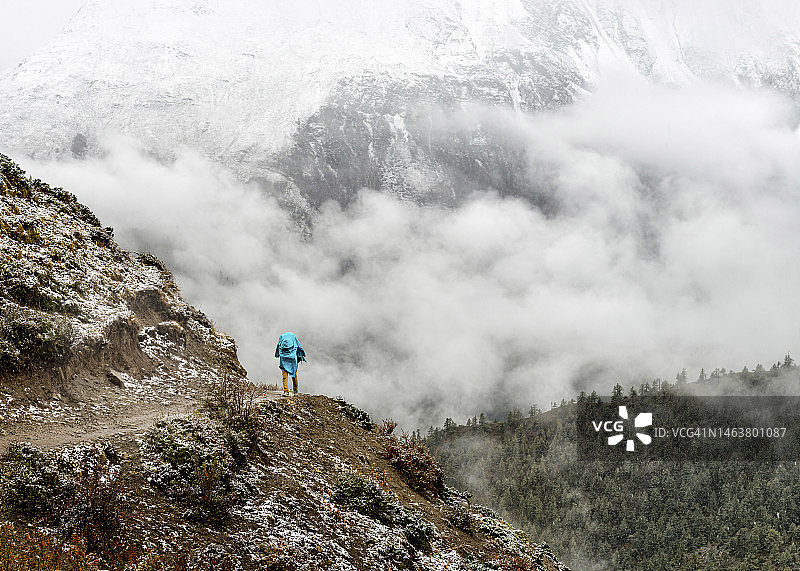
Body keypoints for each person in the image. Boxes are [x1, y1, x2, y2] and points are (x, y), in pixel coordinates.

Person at [275, 331, 306, 396]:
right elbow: (299, 346)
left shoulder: (282, 337)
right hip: (293, 360)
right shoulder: (293, 336)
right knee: (294, 375)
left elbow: (278, 346)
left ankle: (286, 391)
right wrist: (302, 354)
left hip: (283, 360)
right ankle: (295, 391)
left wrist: (277, 354)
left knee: (284, 376)